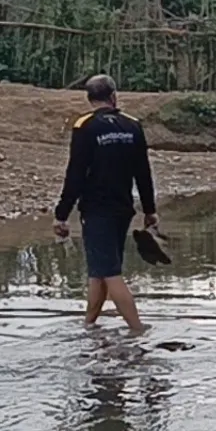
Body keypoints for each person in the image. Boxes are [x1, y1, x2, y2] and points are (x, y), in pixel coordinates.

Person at [53, 74, 158, 332]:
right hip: (122, 208)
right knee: (98, 272)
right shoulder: (132, 126)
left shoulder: (85, 127)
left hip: (97, 210)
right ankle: (89, 326)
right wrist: (149, 210)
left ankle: (137, 330)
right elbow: (142, 172)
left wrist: (61, 213)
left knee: (110, 273)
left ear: (90, 99)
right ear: (114, 96)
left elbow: (75, 173)